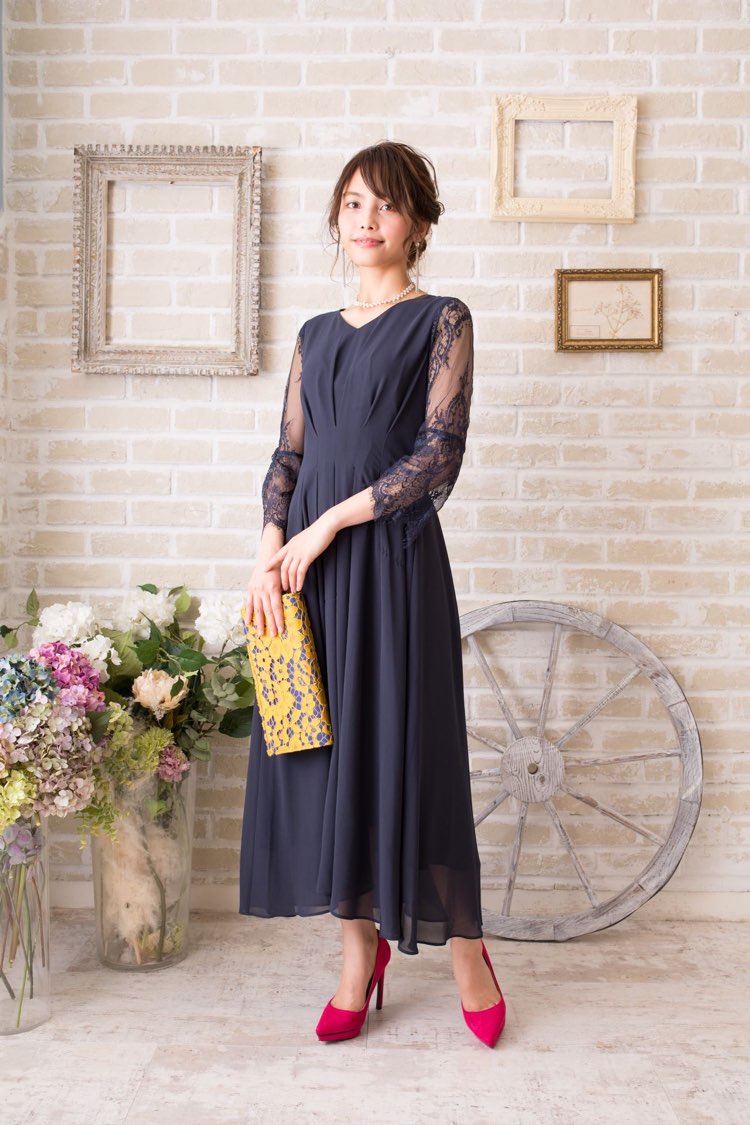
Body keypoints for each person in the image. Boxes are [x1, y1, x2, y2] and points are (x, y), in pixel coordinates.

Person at [241, 140, 506, 1048]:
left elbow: (437, 455)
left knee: (412, 750)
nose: (366, 219)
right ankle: (359, 955)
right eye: (353, 202)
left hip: (391, 564)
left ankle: (466, 948)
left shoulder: (442, 319)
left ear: (418, 223)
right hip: (305, 575)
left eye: (386, 204)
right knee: (319, 762)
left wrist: (326, 526)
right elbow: (289, 455)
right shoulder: (314, 335)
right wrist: (270, 549)